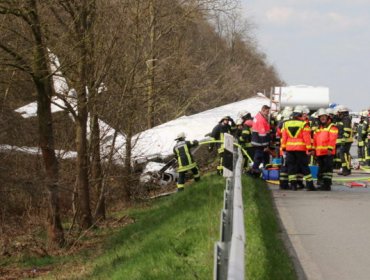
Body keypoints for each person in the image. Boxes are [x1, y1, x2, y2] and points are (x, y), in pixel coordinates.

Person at [281, 106, 315, 191]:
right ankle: (310, 185)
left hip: (289, 149)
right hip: (301, 149)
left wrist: (284, 147)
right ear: (300, 114)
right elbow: (306, 138)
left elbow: (284, 137)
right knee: (304, 167)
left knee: (291, 167)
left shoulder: (286, 123)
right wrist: (309, 149)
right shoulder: (304, 124)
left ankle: (293, 186)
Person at [313, 108, 338, 191]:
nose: (322, 118)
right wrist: (314, 150)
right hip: (319, 153)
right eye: (321, 117)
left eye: (324, 116)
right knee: (321, 169)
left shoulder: (332, 127)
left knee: (327, 169)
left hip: (328, 152)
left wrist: (330, 149)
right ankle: (321, 183)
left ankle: (327, 185)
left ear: (327, 117)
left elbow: (333, 139)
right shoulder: (318, 128)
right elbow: (315, 140)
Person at [250, 105, 271, 176]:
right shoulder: (261, 119)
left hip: (258, 140)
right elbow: (262, 133)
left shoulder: (259, 117)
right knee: (259, 156)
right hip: (260, 142)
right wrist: (266, 145)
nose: (268, 113)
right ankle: (254, 170)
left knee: (264, 156)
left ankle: (264, 170)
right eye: (267, 111)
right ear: (263, 110)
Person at [336, 105, 353, 175]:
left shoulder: (346, 119)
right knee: (343, 155)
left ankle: (346, 170)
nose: (338, 114)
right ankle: (345, 170)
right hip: (345, 140)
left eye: (339, 112)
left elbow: (347, 130)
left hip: (346, 141)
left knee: (344, 155)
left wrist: (343, 139)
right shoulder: (344, 118)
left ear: (342, 112)